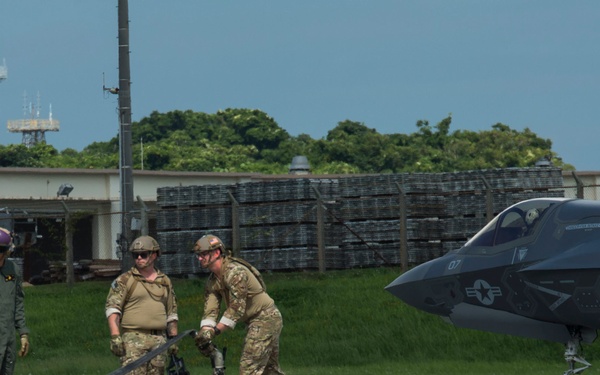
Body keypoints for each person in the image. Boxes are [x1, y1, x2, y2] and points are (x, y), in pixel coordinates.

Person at [193, 234, 285, 375]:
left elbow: (236, 309)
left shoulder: (235, 272)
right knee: (270, 371)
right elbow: (210, 310)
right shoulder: (213, 281)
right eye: (198, 255)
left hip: (265, 318)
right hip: (255, 321)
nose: (200, 258)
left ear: (217, 252)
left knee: (248, 369)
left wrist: (215, 331)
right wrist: (205, 331)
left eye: (204, 254)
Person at [105, 235, 178, 375]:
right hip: (133, 340)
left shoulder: (165, 281)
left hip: (159, 341)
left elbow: (171, 313)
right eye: (135, 255)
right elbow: (113, 309)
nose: (139, 258)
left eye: (143, 254)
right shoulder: (125, 280)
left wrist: (173, 340)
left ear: (154, 255)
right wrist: (115, 336)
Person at [0, 227, 30, 375]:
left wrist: (23, 334)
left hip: (8, 338)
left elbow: (18, 302)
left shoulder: (12, 270)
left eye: (1, 250)